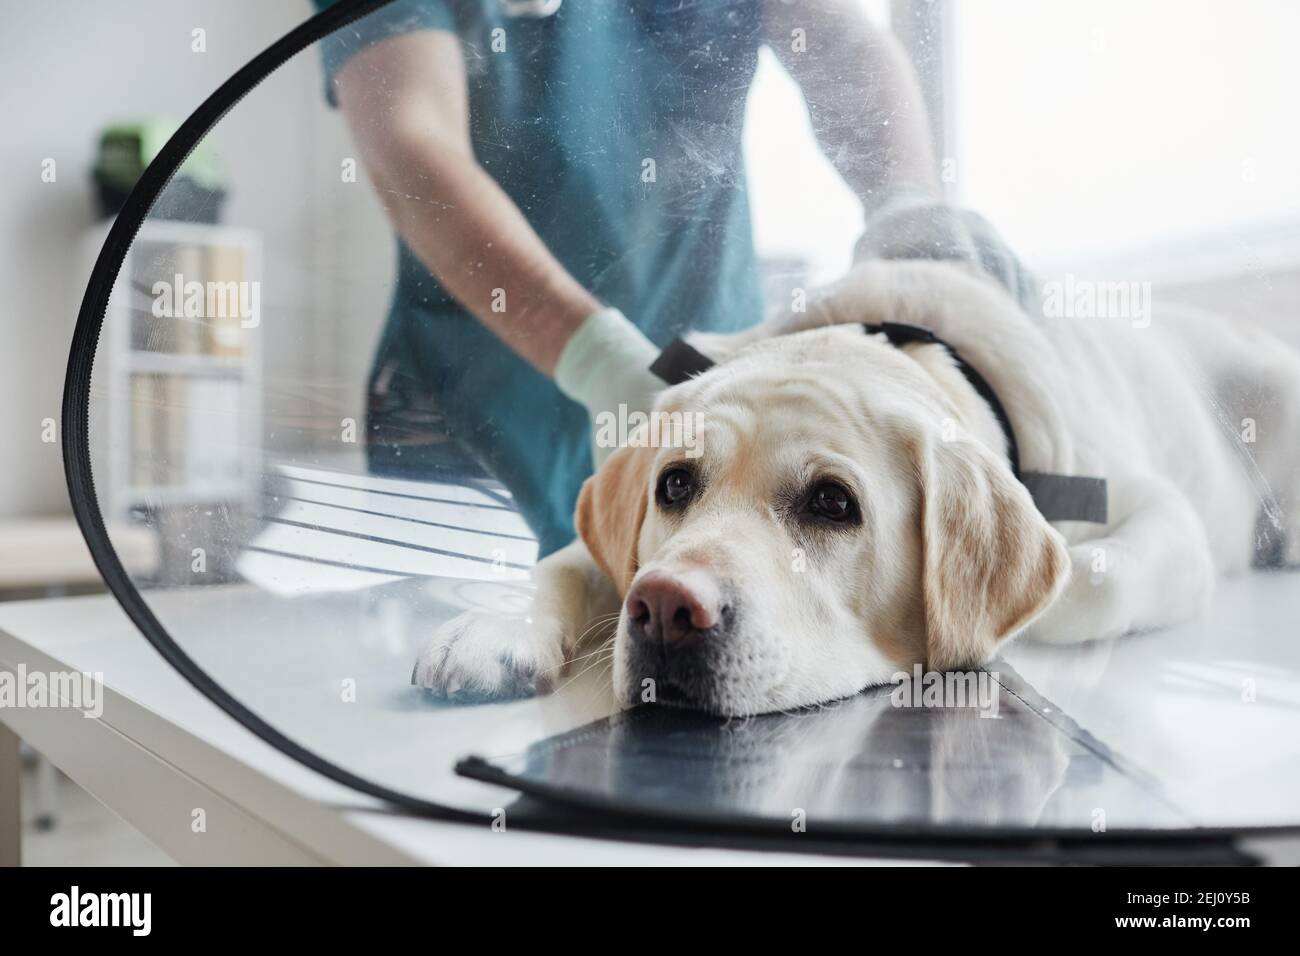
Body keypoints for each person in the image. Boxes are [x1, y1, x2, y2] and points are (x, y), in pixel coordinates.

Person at [312, 0, 1030, 555]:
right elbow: (412, 138)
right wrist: (598, 360)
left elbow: (838, 41)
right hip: (470, 418)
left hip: (709, 379)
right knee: (458, 693)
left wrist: (903, 203)